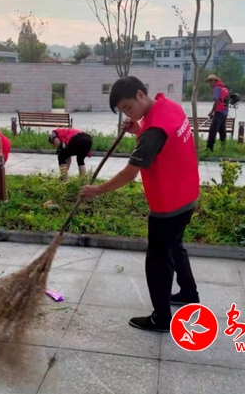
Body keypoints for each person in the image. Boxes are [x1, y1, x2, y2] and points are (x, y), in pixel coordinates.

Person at [79, 76, 200, 332]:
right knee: (175, 247)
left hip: (168, 205)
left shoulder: (152, 132)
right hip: (187, 195)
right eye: (123, 111)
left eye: (128, 107)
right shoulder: (169, 106)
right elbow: (161, 134)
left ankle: (161, 318)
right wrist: (139, 128)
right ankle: (189, 293)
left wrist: (98, 190)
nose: (128, 114)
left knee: (158, 261)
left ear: (140, 95)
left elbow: (129, 173)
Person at [205, 74, 230, 151]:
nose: (209, 84)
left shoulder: (216, 88)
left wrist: (211, 112)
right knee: (222, 130)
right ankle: (223, 146)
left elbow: (216, 102)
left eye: (210, 82)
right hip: (225, 112)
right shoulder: (224, 88)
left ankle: (209, 148)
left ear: (214, 81)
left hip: (219, 111)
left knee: (213, 130)